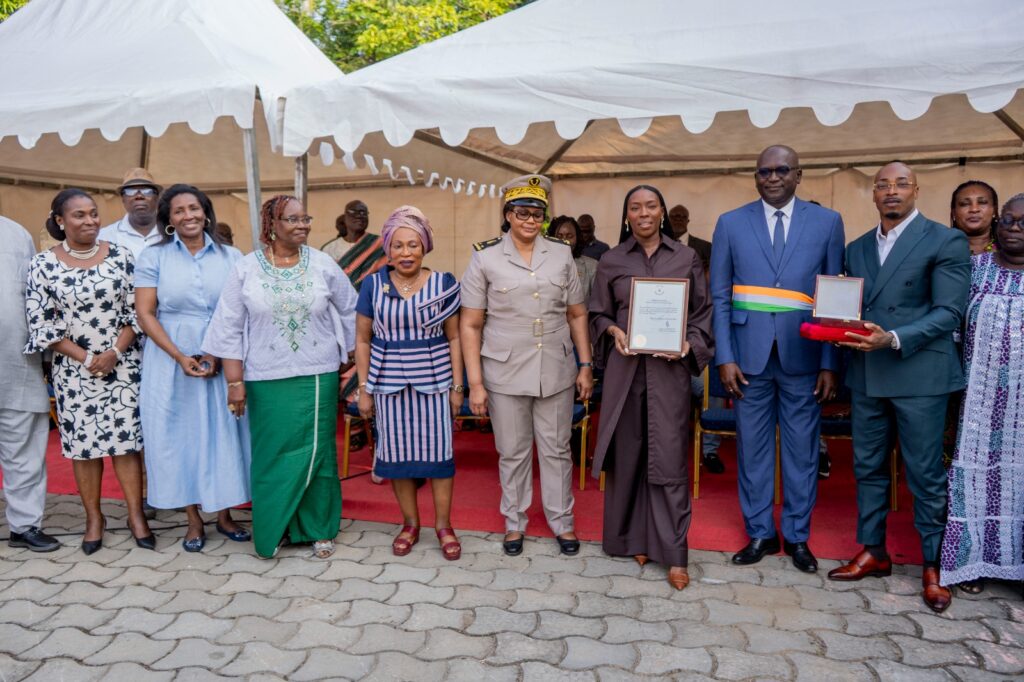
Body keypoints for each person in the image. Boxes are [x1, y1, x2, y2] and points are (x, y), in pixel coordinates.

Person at [831, 162, 970, 614]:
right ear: (872, 194)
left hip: (919, 374)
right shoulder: (856, 247)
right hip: (869, 374)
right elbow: (848, 306)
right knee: (868, 467)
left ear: (916, 190)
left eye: (901, 184)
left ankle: (934, 565)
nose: (892, 191)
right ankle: (873, 550)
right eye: (883, 185)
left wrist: (892, 337)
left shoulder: (944, 239)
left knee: (925, 475)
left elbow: (950, 312)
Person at [710, 145, 845, 573]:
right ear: (755, 176)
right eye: (764, 171)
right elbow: (719, 295)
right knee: (752, 450)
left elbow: (833, 297)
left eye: (781, 170)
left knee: (803, 452)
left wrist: (829, 362)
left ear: (798, 175)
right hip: (746, 359)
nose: (772, 177)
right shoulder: (731, 223)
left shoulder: (827, 222)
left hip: (804, 355)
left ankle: (798, 537)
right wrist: (724, 357)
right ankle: (760, 534)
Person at [202, 195, 357, 559]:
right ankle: (279, 526)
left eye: (306, 218)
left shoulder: (322, 264)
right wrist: (234, 382)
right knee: (272, 454)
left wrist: (349, 354)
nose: (303, 225)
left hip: (317, 374)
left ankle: (319, 528)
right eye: (293, 219)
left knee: (318, 456)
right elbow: (227, 328)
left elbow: (351, 308)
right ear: (271, 225)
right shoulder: (245, 268)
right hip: (264, 378)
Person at [461, 174, 594, 557]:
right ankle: (514, 523)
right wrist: (475, 384)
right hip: (503, 371)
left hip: (555, 366)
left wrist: (585, 364)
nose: (530, 220)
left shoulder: (561, 254)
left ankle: (562, 522)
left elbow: (577, 314)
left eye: (538, 214)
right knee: (513, 450)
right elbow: (470, 324)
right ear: (507, 214)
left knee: (556, 449)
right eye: (522, 212)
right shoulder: (484, 256)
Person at [589, 185, 714, 590]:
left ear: (662, 212)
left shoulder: (686, 257)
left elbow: (702, 313)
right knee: (630, 456)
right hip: (626, 372)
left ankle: (674, 554)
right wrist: (611, 329)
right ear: (626, 215)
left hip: (669, 373)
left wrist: (688, 345)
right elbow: (597, 312)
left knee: (668, 458)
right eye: (635, 207)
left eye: (651, 206)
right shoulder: (611, 259)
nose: (643, 213)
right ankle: (632, 540)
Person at [24, 189, 153, 554]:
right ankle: (94, 518)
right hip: (74, 370)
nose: (90, 221)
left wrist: (113, 352)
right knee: (84, 449)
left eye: (94, 214)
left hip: (123, 365)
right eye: (79, 215)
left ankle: (135, 515)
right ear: (60, 221)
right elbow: (42, 326)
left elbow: (137, 311)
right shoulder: (42, 264)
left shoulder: (122, 257)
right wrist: (86, 357)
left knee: (127, 444)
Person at [135, 185, 251, 552]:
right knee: (179, 435)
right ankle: (193, 519)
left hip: (222, 353)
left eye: (194, 208)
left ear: (206, 212)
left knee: (224, 433)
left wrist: (215, 353)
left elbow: (237, 312)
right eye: (179, 210)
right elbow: (145, 313)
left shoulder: (232, 256)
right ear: (168, 218)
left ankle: (225, 514)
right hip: (169, 356)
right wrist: (180, 356)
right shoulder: (153, 257)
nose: (188, 216)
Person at [354, 206, 463, 560]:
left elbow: (455, 339)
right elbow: (363, 340)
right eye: (398, 245)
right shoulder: (372, 284)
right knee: (398, 457)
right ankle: (410, 523)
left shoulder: (443, 283)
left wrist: (457, 387)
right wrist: (365, 388)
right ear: (388, 248)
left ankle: (443, 525)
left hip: (434, 382)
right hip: (387, 383)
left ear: (425, 246)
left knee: (440, 458)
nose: (405, 253)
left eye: (413, 245)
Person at [940, 193, 1024, 595]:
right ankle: (971, 561)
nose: (1012, 227)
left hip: (1021, 409)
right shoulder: (973, 269)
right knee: (974, 483)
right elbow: (952, 331)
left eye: (1022, 222)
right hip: (978, 401)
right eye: (1007, 220)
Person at [0, 216, 59, 552]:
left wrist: (48, 359)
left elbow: (37, 297)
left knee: (23, 451)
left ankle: (24, 527)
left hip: (16, 363)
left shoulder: (16, 232)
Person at [98, 168, 163, 260]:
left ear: (157, 197)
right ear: (123, 199)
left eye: (146, 191)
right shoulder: (104, 237)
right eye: (131, 191)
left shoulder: (174, 234)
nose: (139, 196)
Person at [335, 200, 387, 291]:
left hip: (372, 299)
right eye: (353, 212)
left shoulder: (380, 244)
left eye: (364, 213)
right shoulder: (330, 248)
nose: (359, 216)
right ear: (345, 217)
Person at [550, 215, 598, 304]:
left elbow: (596, 305)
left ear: (577, 238)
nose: (564, 240)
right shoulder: (543, 266)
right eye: (559, 236)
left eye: (569, 236)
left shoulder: (592, 266)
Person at [950, 180, 998, 256]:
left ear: (994, 210)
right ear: (953, 213)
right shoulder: (940, 251)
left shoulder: (1011, 249)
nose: (974, 209)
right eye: (964, 204)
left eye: (982, 202)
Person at [668, 204, 712, 271]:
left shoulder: (706, 247)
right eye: (675, 216)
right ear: (668, 220)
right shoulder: (658, 244)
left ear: (688, 221)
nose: (678, 219)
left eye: (683, 217)